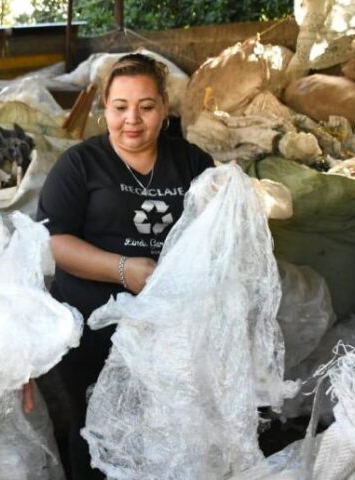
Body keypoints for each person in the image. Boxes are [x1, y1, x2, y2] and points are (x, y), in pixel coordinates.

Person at [36, 53, 215, 479]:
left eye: (146, 107)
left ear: (165, 109)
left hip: (166, 327)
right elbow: (55, 242)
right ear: (105, 109)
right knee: (94, 427)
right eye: (120, 107)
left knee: (162, 424)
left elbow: (213, 231)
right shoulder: (80, 165)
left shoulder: (192, 163)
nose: (131, 119)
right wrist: (124, 270)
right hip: (92, 326)